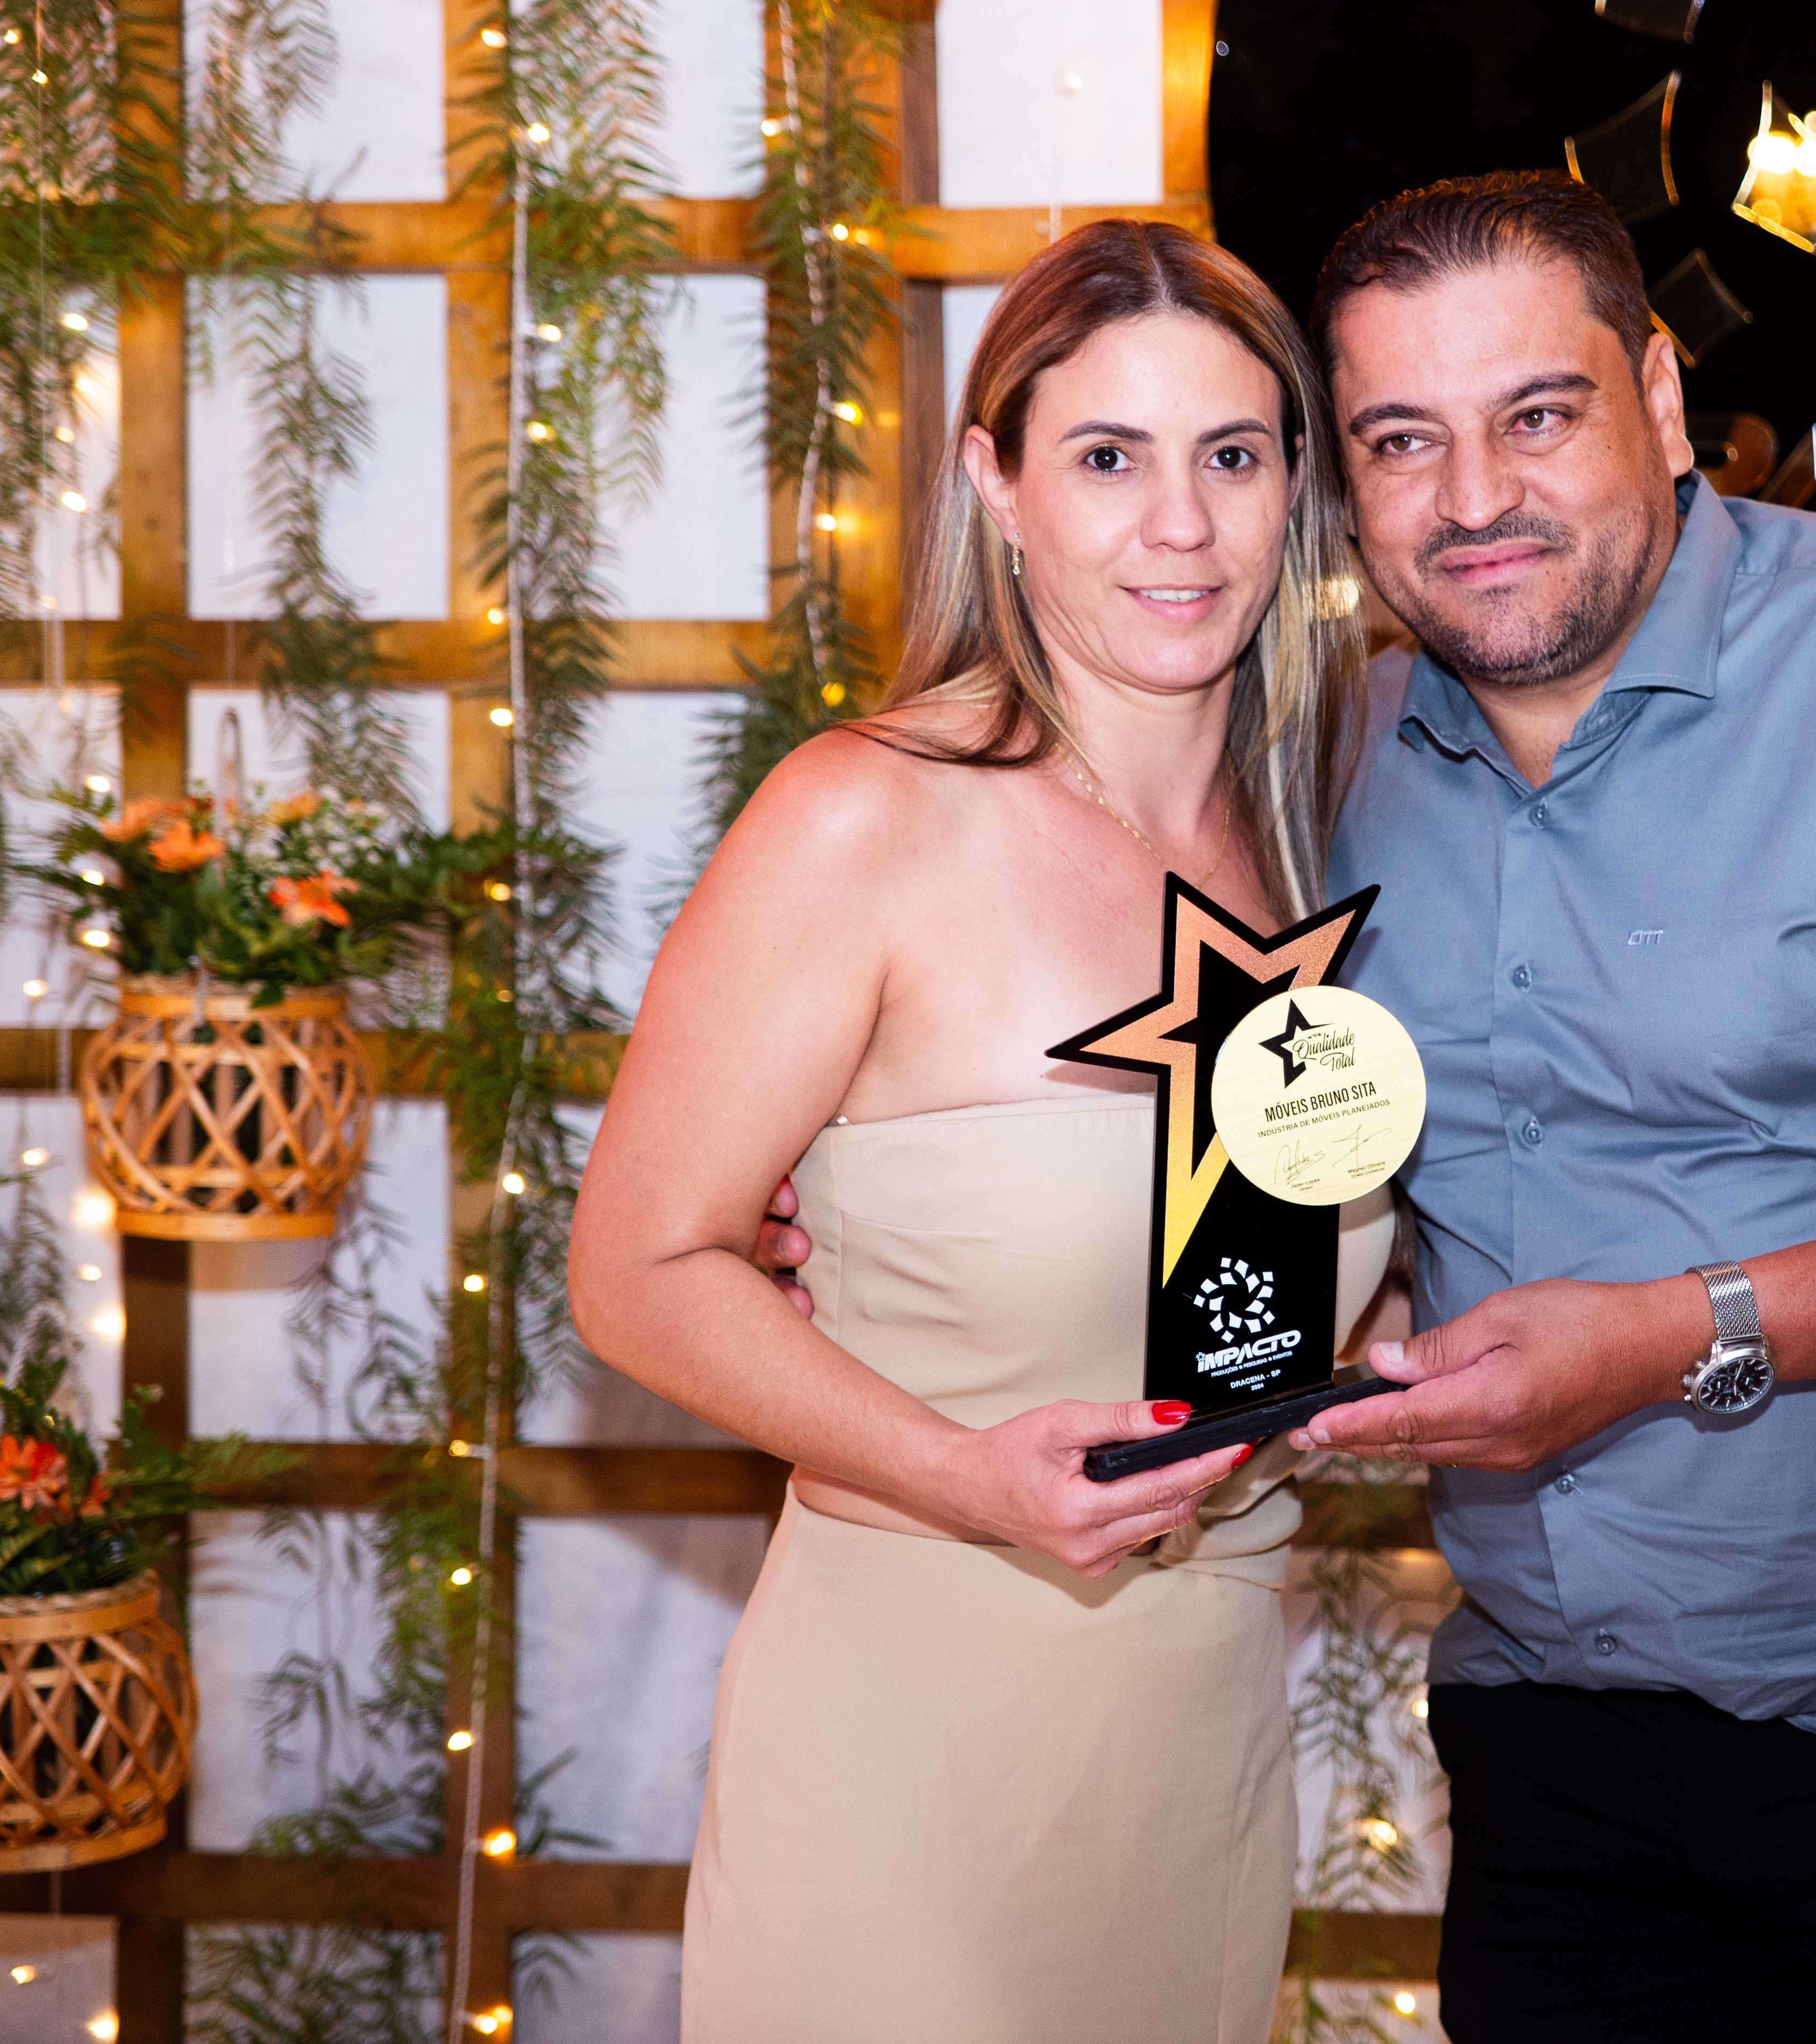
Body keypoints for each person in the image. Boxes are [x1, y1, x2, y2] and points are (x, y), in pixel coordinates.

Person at [756, 173, 1816, 2039]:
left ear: (1661, 395)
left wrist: (1677, 1333)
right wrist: (859, 1194)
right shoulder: (1330, 761)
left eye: (1538, 415)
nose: (1474, 496)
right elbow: (1263, 1141)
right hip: (1557, 1757)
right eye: (1404, 439)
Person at [566, 218, 1388, 2044]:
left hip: (1198, 1758)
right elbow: (633, 1270)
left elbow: (1263, 1266)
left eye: (1232, 456)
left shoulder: (1317, 835)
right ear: (997, 484)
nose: (1181, 525)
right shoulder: (867, 816)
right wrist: (966, 1476)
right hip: (912, 1757)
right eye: (1107, 458)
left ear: (1296, 488)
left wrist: (1392, 1349)